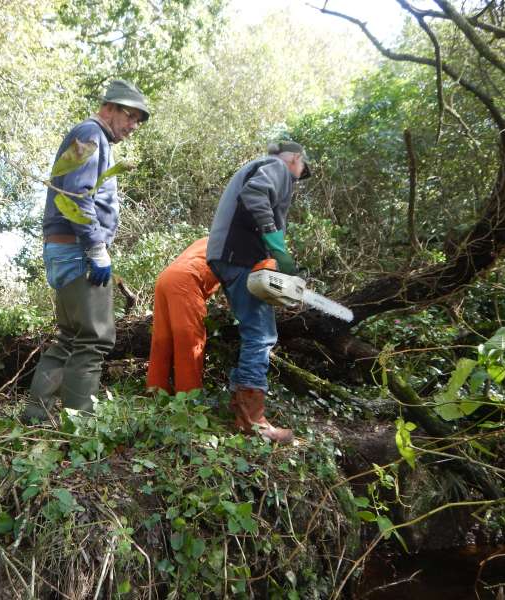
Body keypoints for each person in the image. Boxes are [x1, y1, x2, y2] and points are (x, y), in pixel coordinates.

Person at [25, 79, 150, 420]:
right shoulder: (90, 134)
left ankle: (37, 414)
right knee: (94, 339)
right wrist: (96, 248)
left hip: (63, 248)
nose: (133, 125)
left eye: (138, 120)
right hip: (77, 249)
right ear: (108, 107)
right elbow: (77, 193)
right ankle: (80, 425)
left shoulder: (90, 136)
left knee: (71, 337)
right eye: (130, 116)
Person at [206, 136, 311, 442]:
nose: (298, 178)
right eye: (301, 170)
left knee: (253, 330)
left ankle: (241, 411)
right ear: (295, 159)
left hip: (227, 257)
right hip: (239, 257)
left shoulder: (257, 166)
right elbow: (255, 194)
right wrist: (276, 245)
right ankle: (253, 421)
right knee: (261, 335)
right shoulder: (276, 167)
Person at [146, 237, 220, 394]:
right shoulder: (235, 243)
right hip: (187, 280)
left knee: (162, 338)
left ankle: (155, 391)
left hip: (165, 278)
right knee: (189, 340)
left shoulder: (210, 239)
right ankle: (188, 398)